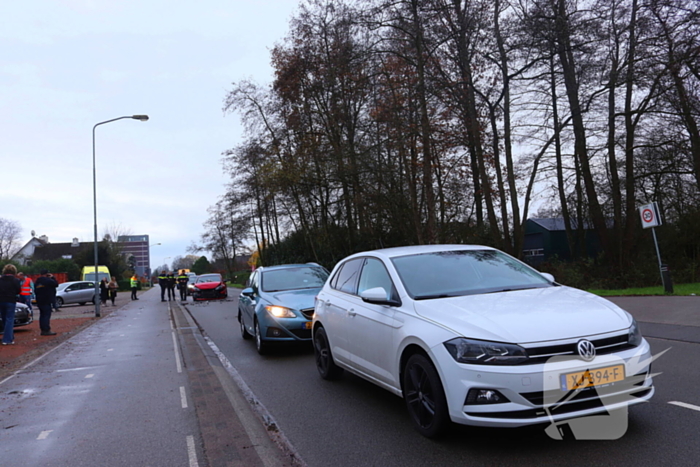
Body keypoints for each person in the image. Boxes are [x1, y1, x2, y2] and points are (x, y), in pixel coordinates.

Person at [0, 264, 21, 345]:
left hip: (1, 300)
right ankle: (7, 339)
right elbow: (18, 291)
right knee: (10, 319)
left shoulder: (1, 280)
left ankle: (10, 337)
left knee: (5, 319)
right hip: (11, 300)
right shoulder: (15, 280)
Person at [34, 269, 58, 336]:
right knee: (46, 315)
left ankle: (42, 329)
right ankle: (46, 329)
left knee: (42, 315)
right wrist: (52, 277)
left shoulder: (38, 281)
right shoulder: (48, 280)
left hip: (39, 300)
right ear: (47, 274)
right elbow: (56, 284)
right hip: (47, 300)